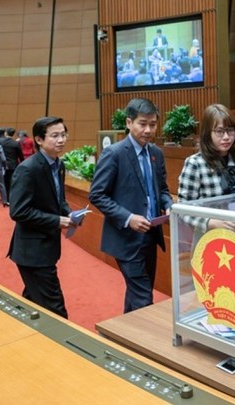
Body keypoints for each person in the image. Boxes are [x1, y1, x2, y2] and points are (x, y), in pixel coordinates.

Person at [89, 98, 173, 313]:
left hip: (151, 235)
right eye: (142, 123)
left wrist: (169, 205)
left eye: (152, 124)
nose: (148, 130)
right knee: (143, 297)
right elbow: (97, 194)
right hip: (125, 238)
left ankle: (124, 334)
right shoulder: (114, 153)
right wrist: (128, 218)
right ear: (129, 122)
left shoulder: (156, 153)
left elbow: (162, 189)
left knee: (139, 292)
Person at [7, 116, 73, 318]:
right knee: (56, 310)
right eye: (54, 136)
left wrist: (69, 213)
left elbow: (57, 198)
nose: (61, 140)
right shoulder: (28, 169)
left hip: (46, 247)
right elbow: (18, 211)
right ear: (39, 140)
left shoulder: (58, 164)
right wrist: (56, 220)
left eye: (63, 134)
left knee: (33, 302)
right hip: (32, 251)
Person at [178, 104, 235, 235]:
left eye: (230, 130)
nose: (226, 137)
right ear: (207, 133)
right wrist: (210, 222)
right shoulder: (195, 164)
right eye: (219, 131)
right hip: (209, 239)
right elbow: (182, 209)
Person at [1, 127, 24, 197]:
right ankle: (12, 197)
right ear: (13, 134)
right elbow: (20, 155)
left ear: (5, 133)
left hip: (3, 165)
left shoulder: (1, 143)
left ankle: (6, 198)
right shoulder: (15, 143)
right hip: (14, 164)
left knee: (5, 182)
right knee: (12, 182)